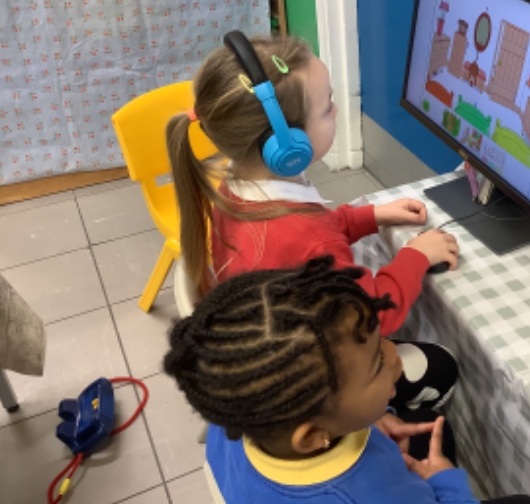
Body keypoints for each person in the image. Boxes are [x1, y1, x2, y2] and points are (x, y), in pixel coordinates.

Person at [166, 31, 459, 414]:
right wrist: (416, 256)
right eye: (327, 106)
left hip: (275, 347)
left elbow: (311, 234)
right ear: (286, 147)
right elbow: (374, 316)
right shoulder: (307, 235)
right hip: (313, 382)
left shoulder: (238, 186)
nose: (335, 111)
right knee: (440, 366)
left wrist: (371, 216)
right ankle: (384, 426)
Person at [164, 257, 530, 504]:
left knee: (430, 422)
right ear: (313, 435)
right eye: (378, 363)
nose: (395, 355)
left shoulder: (239, 413)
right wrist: (446, 484)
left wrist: (373, 421)